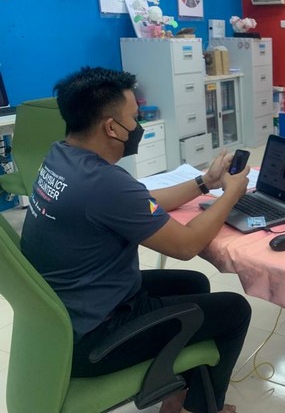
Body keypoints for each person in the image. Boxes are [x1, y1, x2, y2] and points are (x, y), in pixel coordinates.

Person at [21, 66, 251, 413]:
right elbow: (187, 245)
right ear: (111, 127)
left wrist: (206, 182)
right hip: (94, 340)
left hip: (69, 314)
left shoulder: (62, 157)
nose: (138, 125)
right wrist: (231, 194)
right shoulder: (105, 184)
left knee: (193, 284)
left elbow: (142, 200)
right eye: (134, 117)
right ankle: (203, 409)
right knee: (235, 310)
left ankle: (178, 396)